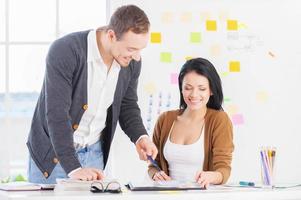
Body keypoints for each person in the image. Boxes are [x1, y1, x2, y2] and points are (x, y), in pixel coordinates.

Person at [27, 5, 157, 184]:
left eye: (140, 49)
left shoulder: (131, 62)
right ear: (111, 35)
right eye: (131, 49)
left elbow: (127, 106)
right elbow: (57, 113)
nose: (136, 56)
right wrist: (73, 166)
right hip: (54, 157)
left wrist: (140, 137)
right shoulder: (66, 50)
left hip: (94, 154)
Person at [148, 58, 234, 188]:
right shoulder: (165, 119)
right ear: (181, 89)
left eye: (202, 89)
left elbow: (223, 170)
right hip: (167, 195)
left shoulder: (219, 120)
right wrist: (155, 174)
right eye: (188, 88)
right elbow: (153, 164)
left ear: (211, 90)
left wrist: (210, 176)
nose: (194, 94)